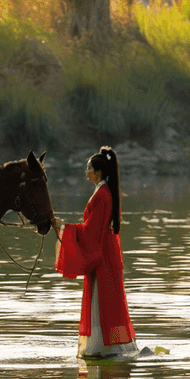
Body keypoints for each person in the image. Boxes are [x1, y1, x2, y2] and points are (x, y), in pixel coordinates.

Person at [53, 146, 139, 359]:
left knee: (102, 298)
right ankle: (104, 346)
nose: (86, 171)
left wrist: (64, 227)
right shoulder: (103, 192)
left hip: (102, 252)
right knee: (105, 298)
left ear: (98, 172)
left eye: (88, 168)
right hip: (106, 249)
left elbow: (91, 231)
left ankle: (102, 347)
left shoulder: (102, 195)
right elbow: (94, 227)